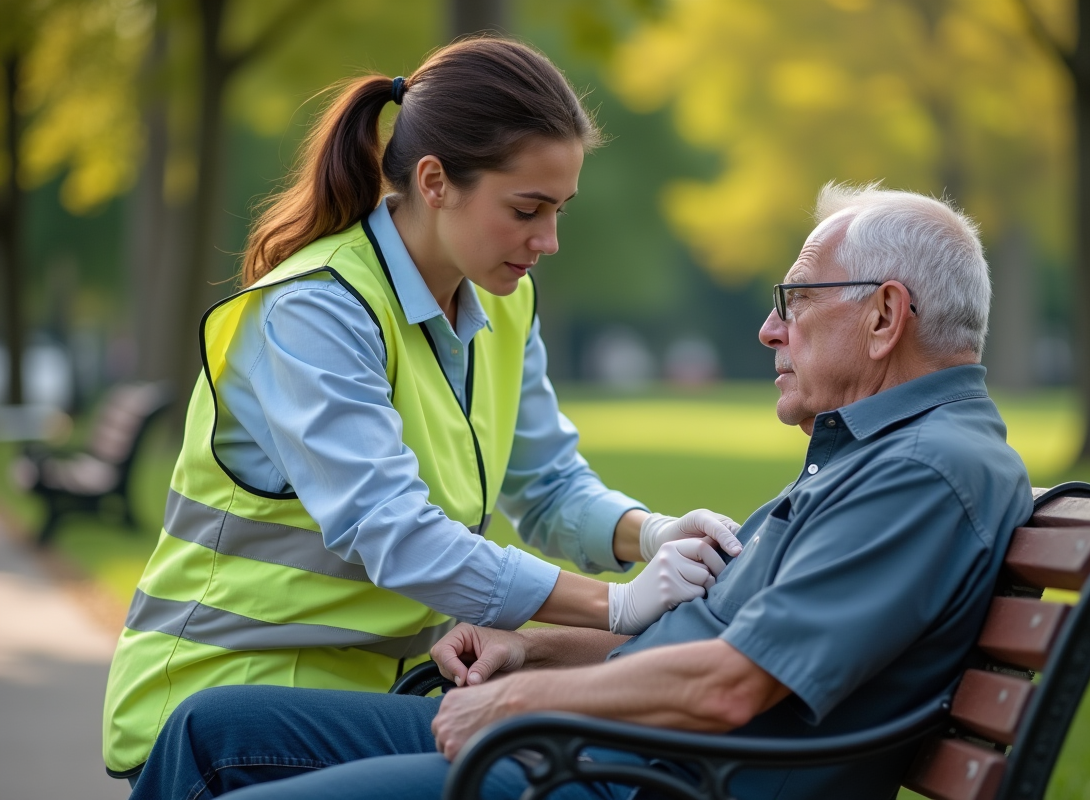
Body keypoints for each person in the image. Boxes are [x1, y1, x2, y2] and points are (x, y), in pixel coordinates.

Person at [123, 183, 1034, 800]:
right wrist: (537, 653)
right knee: (208, 730)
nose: (768, 329)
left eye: (795, 301)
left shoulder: (923, 472)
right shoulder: (879, 455)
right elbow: (711, 643)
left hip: (626, 777)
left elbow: (725, 689)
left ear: (884, 316)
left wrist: (521, 704)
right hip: (606, 754)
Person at [102, 37, 743, 783]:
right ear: (435, 181)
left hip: (391, 708)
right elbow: (395, 533)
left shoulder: (505, 302)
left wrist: (653, 535)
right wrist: (616, 606)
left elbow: (549, 487)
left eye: (560, 210)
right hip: (231, 708)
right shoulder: (314, 309)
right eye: (527, 210)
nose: (549, 241)